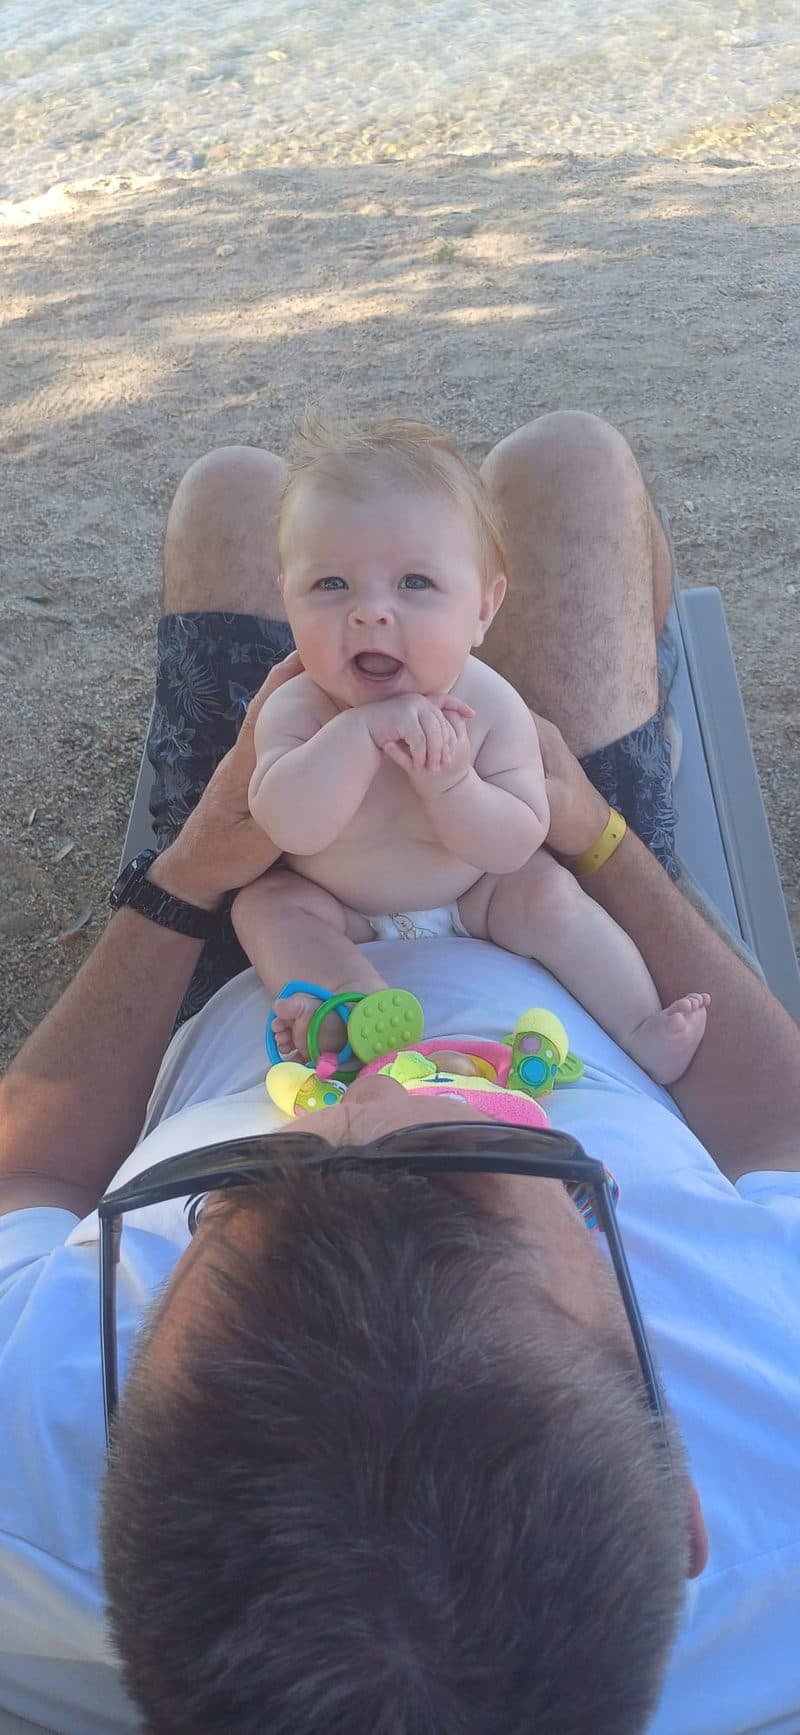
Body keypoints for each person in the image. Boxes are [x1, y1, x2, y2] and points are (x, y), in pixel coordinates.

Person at [1, 412, 799, 1735]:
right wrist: (595, 834)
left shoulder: (23, 1475)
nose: (381, 1091)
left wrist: (196, 867)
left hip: (261, 940)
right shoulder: (778, 1424)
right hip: (554, 910)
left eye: (246, 1192)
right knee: (572, 464)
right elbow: (782, 1122)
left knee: (232, 488)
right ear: (682, 1497)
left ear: (107, 1489)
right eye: (488, 1158)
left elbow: (24, 1161)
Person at [236, 414, 708, 1085]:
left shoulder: (490, 707)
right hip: (338, 907)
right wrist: (357, 735)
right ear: (287, 599)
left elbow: (516, 841)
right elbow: (289, 826)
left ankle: (639, 1025)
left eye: (415, 583)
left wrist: (453, 785)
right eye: (331, 585)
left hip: (474, 895)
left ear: (483, 610)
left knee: (549, 892)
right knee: (265, 906)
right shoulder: (296, 708)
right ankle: (353, 1007)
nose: (370, 612)